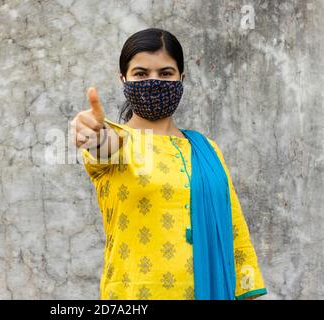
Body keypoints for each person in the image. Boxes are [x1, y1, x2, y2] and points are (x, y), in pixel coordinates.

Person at [70, 28, 267, 300]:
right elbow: (105, 148)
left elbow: (236, 234)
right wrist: (94, 134)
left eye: (165, 73)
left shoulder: (207, 150)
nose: (154, 82)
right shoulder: (119, 140)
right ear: (123, 79)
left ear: (181, 78)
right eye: (141, 74)